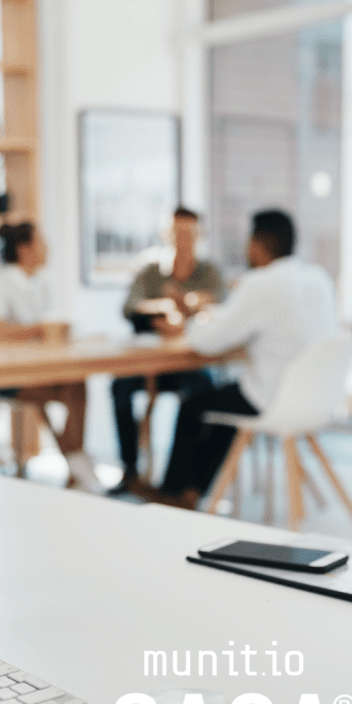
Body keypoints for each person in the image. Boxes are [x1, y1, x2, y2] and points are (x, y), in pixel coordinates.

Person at [132, 209, 338, 509]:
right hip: (317, 399)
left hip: (271, 397)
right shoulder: (318, 278)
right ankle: (192, 492)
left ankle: (174, 493)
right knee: (223, 407)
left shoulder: (261, 283)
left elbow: (208, 341)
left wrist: (188, 319)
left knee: (194, 407)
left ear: (258, 244)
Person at [110, 207, 226, 492]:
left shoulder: (209, 273)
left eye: (188, 233)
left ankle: (179, 484)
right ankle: (130, 471)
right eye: (177, 233)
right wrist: (159, 314)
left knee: (202, 395)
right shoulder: (150, 272)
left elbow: (221, 307)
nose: (182, 240)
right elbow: (129, 307)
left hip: (191, 365)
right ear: (167, 235)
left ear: (199, 235)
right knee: (119, 387)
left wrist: (186, 307)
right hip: (150, 364)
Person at [0, 221, 101, 492]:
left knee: (76, 383)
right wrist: (39, 329)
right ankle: (77, 464)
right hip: (4, 376)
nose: (48, 249)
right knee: (69, 390)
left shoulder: (40, 284)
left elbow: (42, 330)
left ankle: (76, 464)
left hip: (35, 371)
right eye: (42, 243)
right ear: (25, 249)